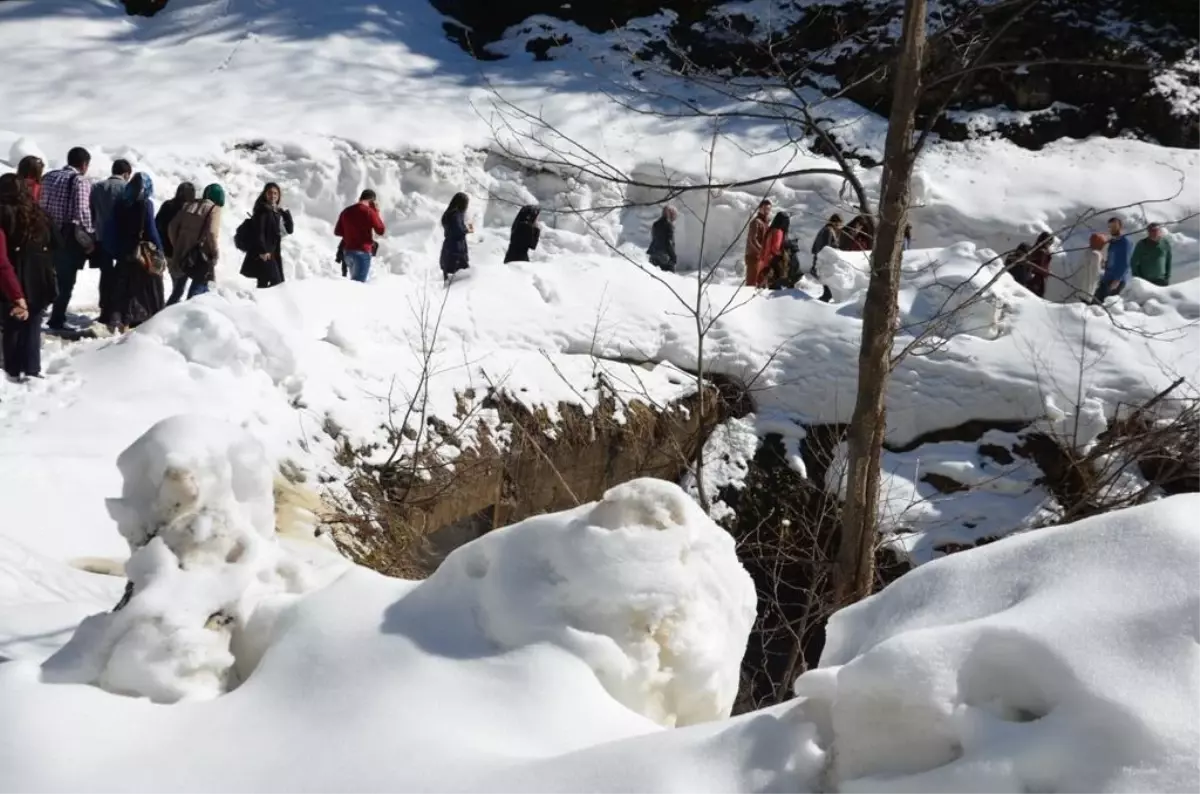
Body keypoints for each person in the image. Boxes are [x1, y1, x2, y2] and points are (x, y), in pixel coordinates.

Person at [0, 174, 57, 380]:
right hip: (38, 274)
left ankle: (12, 370)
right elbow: (56, 242)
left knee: (12, 324)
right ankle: (32, 369)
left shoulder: (2, 213)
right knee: (33, 323)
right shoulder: (38, 213)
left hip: (12, 273)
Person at [39, 146, 94, 331]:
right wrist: (89, 236)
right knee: (66, 281)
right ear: (84, 164)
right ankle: (57, 318)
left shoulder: (48, 177)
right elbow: (82, 212)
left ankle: (40, 309)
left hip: (45, 234)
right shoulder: (80, 181)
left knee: (48, 275)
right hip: (66, 238)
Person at [107, 173, 165, 329]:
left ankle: (119, 319)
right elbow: (151, 231)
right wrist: (159, 250)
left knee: (123, 288)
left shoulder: (121, 202)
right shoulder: (145, 204)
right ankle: (147, 320)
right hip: (139, 253)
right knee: (148, 289)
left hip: (123, 251)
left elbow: (113, 227)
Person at [90, 159, 134, 326]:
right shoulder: (127, 189)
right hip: (121, 239)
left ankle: (104, 310)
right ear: (126, 174)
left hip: (101, 238)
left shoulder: (97, 187)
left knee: (106, 275)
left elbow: (91, 211)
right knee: (121, 276)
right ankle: (117, 312)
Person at [168, 183, 224, 302]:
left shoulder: (189, 205)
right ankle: (190, 316)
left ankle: (166, 314)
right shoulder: (214, 209)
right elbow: (212, 233)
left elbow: (172, 226)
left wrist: (177, 243)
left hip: (182, 251)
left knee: (177, 290)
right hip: (200, 255)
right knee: (198, 290)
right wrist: (214, 252)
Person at [240, 182, 293, 289]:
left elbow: (290, 230)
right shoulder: (262, 210)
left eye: (275, 193)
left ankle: (261, 304)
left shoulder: (275, 211)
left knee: (263, 281)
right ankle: (265, 303)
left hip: (273, 252)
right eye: (270, 193)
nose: (272, 196)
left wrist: (285, 212)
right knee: (276, 282)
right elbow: (259, 232)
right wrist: (263, 251)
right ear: (265, 194)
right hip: (265, 253)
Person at [335, 189, 386, 282]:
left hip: (348, 253)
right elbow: (381, 230)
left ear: (360, 199)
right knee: (358, 286)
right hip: (362, 252)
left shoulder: (346, 211)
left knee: (354, 282)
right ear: (372, 201)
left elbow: (337, 232)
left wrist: (351, 232)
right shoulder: (370, 212)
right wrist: (376, 212)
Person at [1095, 216, 1132, 302]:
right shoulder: (1113, 242)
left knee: (1105, 305)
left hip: (1115, 280)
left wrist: (1117, 279)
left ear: (1120, 227)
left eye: (1114, 227)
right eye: (1110, 227)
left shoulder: (1125, 242)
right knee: (1096, 302)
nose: (1112, 229)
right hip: (1107, 277)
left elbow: (1125, 263)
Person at [439, 192, 472, 283]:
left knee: (449, 283)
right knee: (459, 284)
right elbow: (457, 231)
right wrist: (467, 230)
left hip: (448, 250)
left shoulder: (448, 214)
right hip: (456, 252)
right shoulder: (456, 214)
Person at [809, 213, 842, 302]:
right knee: (826, 275)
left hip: (821, 256)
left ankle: (827, 294)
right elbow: (827, 246)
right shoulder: (829, 231)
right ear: (836, 222)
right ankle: (827, 294)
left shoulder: (826, 229)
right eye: (839, 224)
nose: (839, 226)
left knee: (825, 276)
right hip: (823, 257)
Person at [754, 211, 790, 289]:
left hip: (765, 259)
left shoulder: (771, 230)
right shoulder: (779, 232)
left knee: (764, 285)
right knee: (775, 287)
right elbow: (776, 248)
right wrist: (783, 255)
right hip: (773, 261)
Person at [1131, 222, 1172, 287]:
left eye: (1156, 230)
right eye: (1151, 231)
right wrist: (1138, 278)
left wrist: (1167, 277)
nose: (1154, 233)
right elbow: (1134, 262)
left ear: (1160, 231)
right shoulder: (1142, 244)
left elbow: (1168, 260)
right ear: (1148, 232)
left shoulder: (1165, 243)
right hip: (1146, 281)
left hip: (1161, 280)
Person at [744, 199, 772, 286]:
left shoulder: (765, 223)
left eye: (769, 209)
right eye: (765, 208)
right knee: (751, 284)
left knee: (761, 284)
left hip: (761, 258)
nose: (767, 211)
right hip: (753, 257)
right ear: (760, 209)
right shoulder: (756, 222)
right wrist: (762, 252)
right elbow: (753, 239)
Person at [647, 205, 677, 272]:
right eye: (674, 215)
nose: (675, 218)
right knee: (670, 279)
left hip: (653, 255)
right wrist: (673, 257)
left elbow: (654, 239)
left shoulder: (655, 224)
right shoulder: (669, 225)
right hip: (664, 258)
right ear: (671, 214)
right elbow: (668, 242)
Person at [1025, 231, 1054, 298]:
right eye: (1049, 243)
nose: (1049, 245)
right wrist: (1046, 272)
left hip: (1038, 278)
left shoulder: (1035, 250)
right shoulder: (1041, 252)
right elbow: (1034, 266)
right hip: (1036, 279)